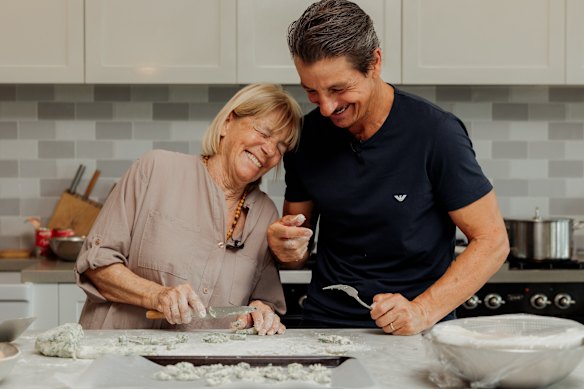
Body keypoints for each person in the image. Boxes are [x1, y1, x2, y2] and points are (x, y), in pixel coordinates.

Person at [267, 0, 510, 335]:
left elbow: (493, 240)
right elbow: (297, 247)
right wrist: (287, 247)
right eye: (311, 91)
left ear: (375, 63)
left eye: (338, 89)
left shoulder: (436, 134)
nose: (326, 107)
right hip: (325, 326)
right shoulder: (306, 138)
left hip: (418, 326)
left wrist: (422, 311)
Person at [75, 83, 302, 335]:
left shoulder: (265, 214)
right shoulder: (155, 170)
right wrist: (157, 295)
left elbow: (264, 300)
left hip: (203, 368)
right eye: (263, 132)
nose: (270, 150)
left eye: (281, 147)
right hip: (118, 355)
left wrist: (261, 311)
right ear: (227, 123)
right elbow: (96, 265)